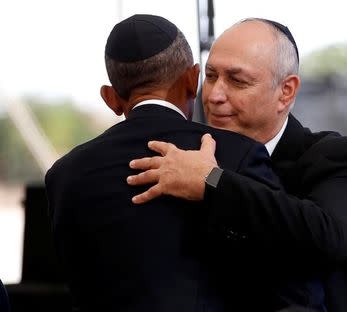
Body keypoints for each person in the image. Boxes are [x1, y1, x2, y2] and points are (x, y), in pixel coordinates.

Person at [127, 18, 347, 311]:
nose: (214, 96)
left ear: (286, 91)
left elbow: (328, 239)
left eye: (237, 81)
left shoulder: (340, 158)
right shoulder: (192, 162)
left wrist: (212, 182)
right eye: (210, 76)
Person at [45, 14, 283, 312]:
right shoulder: (238, 153)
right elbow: (282, 273)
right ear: (192, 78)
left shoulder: (64, 175)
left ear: (110, 98)